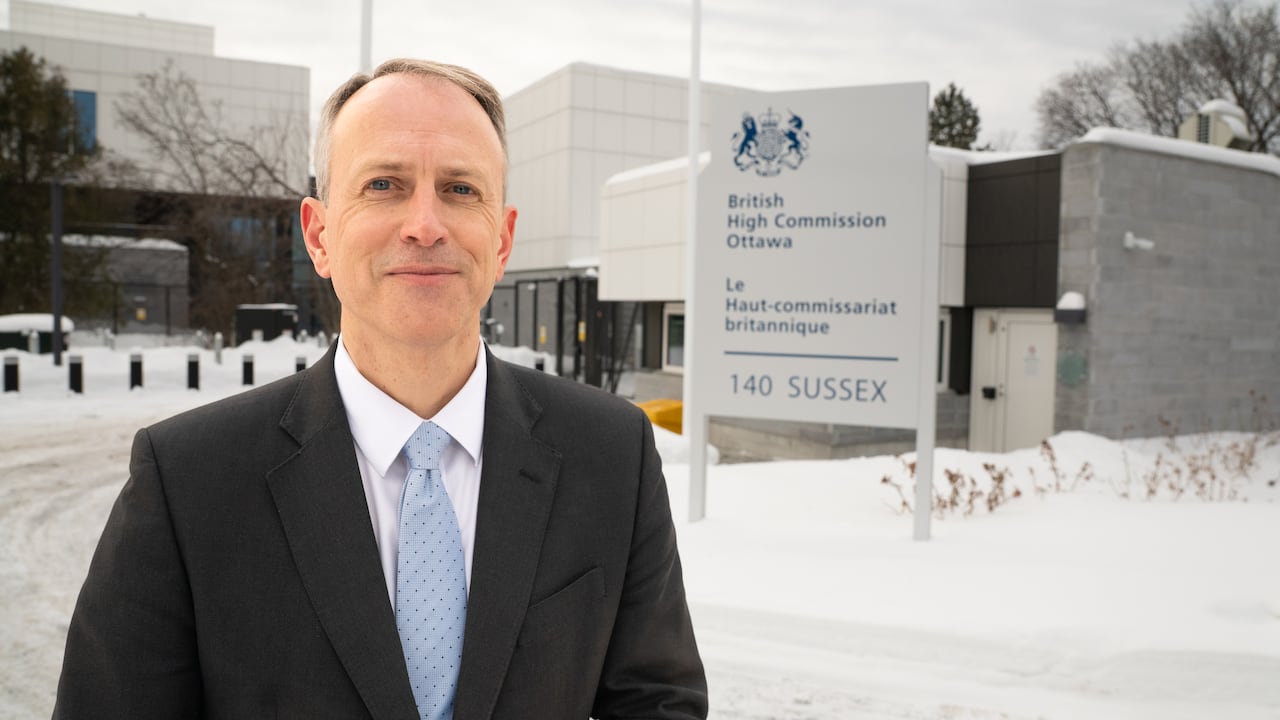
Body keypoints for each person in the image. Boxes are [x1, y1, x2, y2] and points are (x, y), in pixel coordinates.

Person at [53, 58, 707, 720]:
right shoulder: (188, 481)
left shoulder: (611, 454)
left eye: (459, 189)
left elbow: (657, 703)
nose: (425, 224)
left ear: (503, 239)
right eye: (384, 184)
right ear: (319, 235)